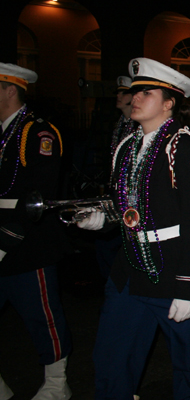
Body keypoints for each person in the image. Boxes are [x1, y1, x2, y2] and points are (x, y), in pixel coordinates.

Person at [86, 58, 190, 400]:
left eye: (146, 92)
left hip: (174, 268)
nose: (135, 97)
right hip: (131, 269)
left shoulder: (186, 146)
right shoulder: (127, 147)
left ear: (169, 102)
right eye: (135, 92)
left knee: (188, 363)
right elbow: (126, 204)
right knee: (112, 357)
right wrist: (105, 218)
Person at [0, 63, 72, 400]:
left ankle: (57, 384)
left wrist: (8, 237)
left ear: (10, 90)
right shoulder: (4, 132)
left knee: (42, 316)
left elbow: (38, 193)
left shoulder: (38, 132)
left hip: (28, 243)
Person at [95, 75, 139, 281]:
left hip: (130, 197)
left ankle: (120, 284)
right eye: (118, 92)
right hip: (116, 191)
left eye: (124, 92)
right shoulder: (120, 125)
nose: (119, 96)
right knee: (104, 244)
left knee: (113, 246)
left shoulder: (138, 128)